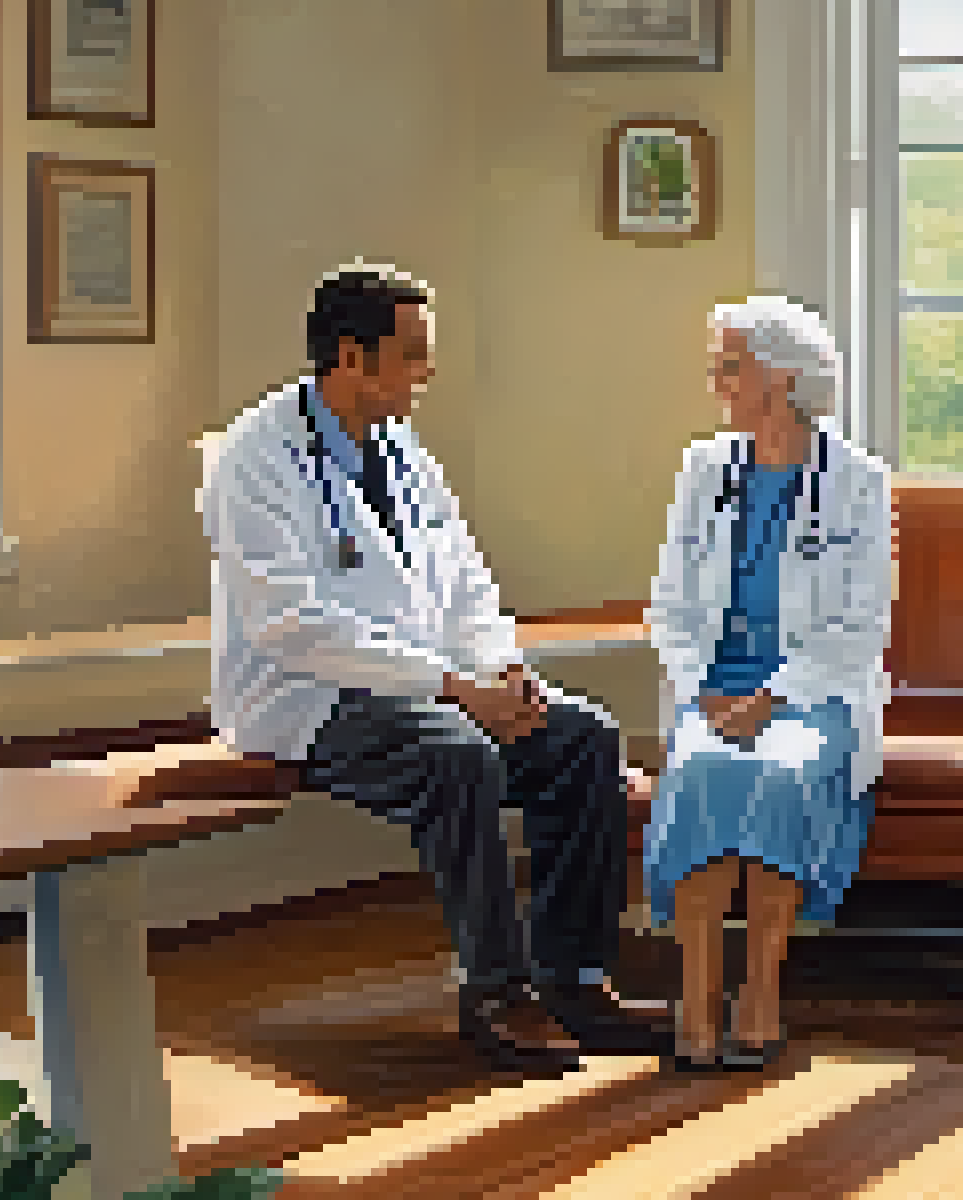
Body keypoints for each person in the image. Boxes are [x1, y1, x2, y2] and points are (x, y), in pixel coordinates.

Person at [200, 264, 669, 1073]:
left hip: (434, 686)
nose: (426, 373)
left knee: (584, 739)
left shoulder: (403, 448)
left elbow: (466, 583)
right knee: (459, 756)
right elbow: (292, 625)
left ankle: (574, 980)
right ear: (351, 356)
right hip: (310, 696)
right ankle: (498, 992)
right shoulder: (257, 455)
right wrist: (457, 689)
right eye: (412, 354)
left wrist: (503, 672)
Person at [643, 296, 895, 1072]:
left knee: (781, 773)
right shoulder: (702, 469)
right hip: (711, 688)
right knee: (701, 767)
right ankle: (695, 1001)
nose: (715, 379)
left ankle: (759, 995)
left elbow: (859, 628)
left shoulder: (857, 482)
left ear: (782, 380)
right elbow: (671, 605)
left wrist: (774, 699)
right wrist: (699, 687)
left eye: (730, 365)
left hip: (816, 691)